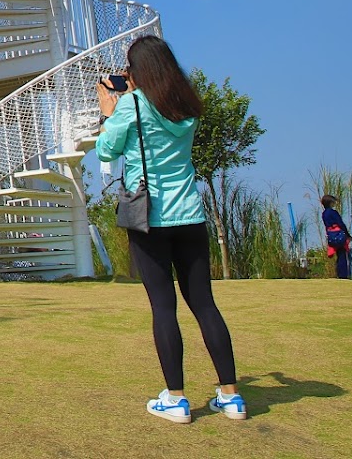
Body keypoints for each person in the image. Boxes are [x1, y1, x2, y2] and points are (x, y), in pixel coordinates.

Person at [96, 36, 244, 424]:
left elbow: (106, 151)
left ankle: (176, 399)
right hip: (190, 215)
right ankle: (231, 396)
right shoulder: (185, 105)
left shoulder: (132, 105)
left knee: (164, 307)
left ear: (138, 71)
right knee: (205, 304)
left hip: (149, 217)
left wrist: (109, 112)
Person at [321, 195, 352, 280]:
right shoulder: (333, 212)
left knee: (338, 254)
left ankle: (339, 273)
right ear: (330, 203)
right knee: (342, 254)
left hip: (331, 234)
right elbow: (340, 223)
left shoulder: (324, 214)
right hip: (338, 234)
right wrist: (347, 234)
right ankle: (343, 274)